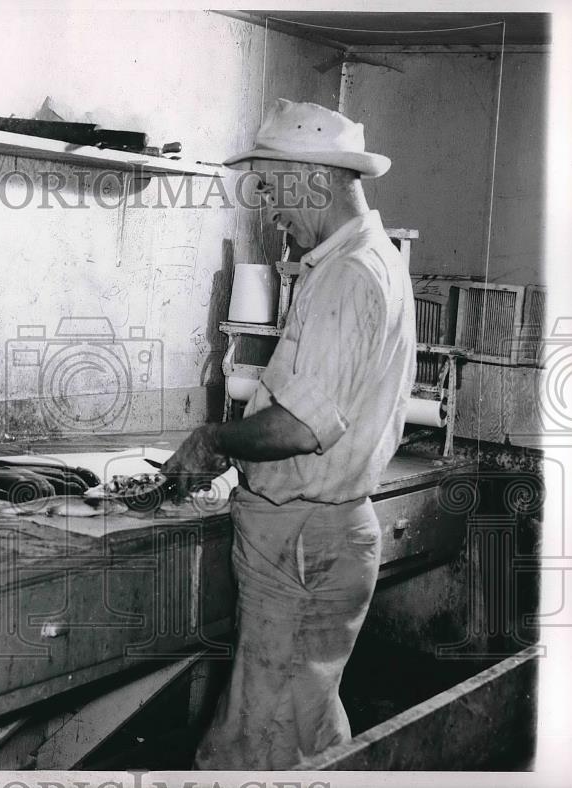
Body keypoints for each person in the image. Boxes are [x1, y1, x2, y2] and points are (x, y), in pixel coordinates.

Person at [162, 98, 416, 769]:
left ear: (316, 177)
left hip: (303, 542)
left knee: (258, 742)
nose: (270, 207)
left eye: (273, 186)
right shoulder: (371, 259)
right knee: (301, 727)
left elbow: (301, 426)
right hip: (320, 536)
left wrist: (213, 441)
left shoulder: (346, 274)